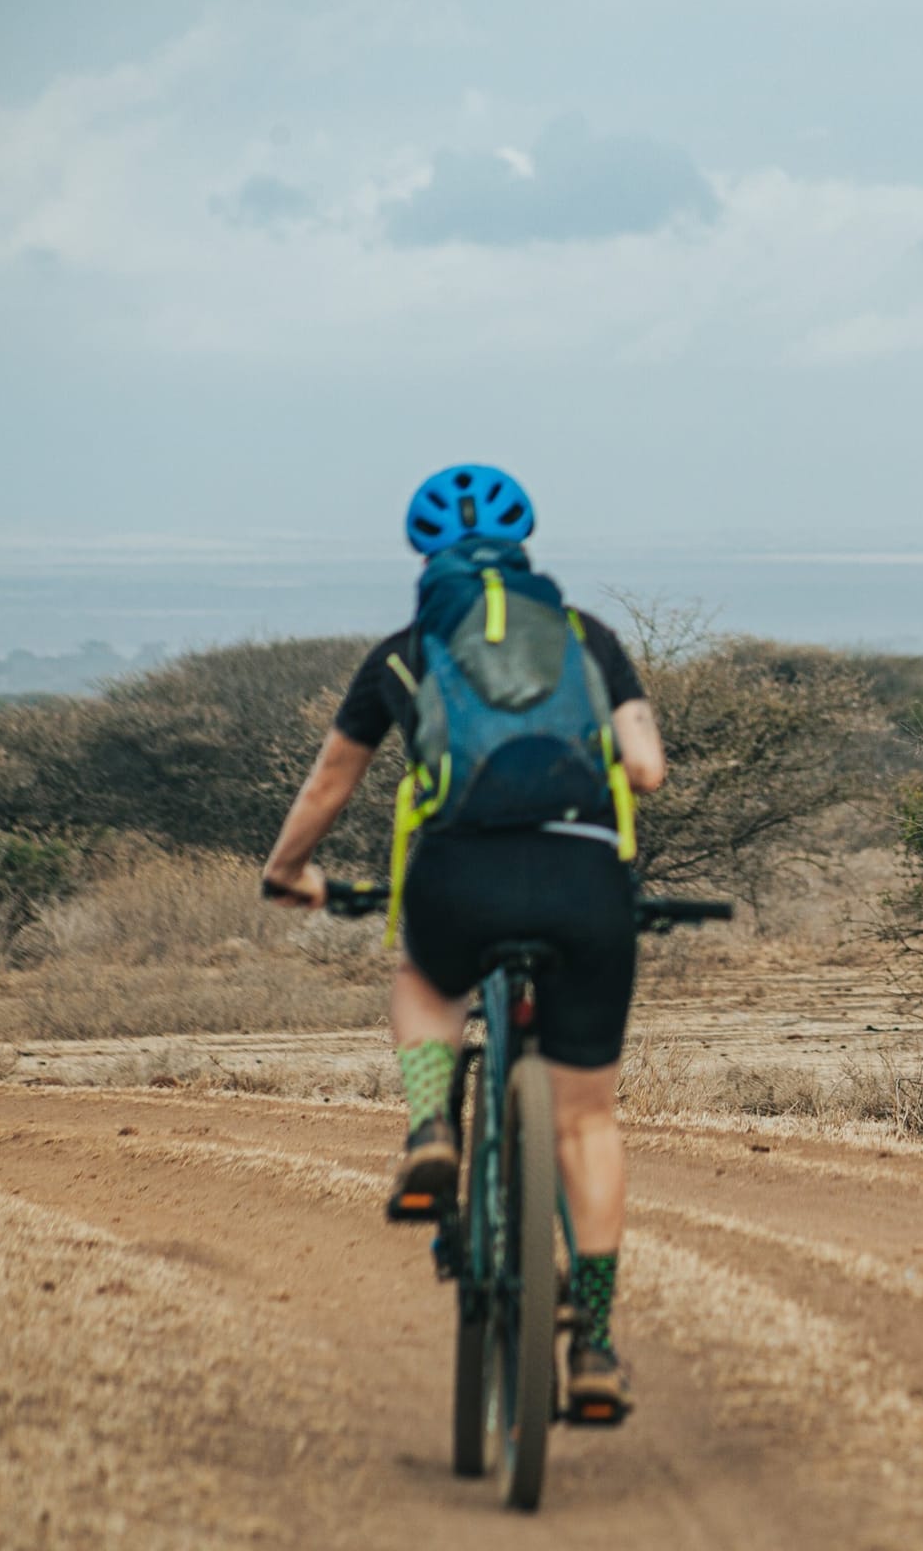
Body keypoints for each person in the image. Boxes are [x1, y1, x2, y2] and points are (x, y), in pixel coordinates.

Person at [260, 464, 666, 1418]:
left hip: (455, 878)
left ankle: (434, 1126)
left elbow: (329, 784)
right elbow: (644, 769)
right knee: (587, 1123)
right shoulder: (587, 638)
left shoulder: (405, 651)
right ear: (527, 550)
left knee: (424, 978)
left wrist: (287, 873)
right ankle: (597, 1342)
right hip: (584, 883)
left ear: (426, 553)